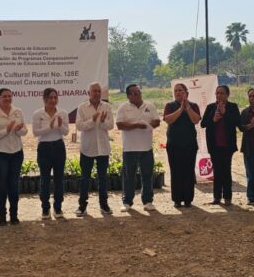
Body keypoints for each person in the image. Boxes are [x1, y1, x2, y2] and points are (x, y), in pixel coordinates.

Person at [116, 84, 161, 212]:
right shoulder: (123, 108)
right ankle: (127, 202)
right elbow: (119, 125)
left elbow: (157, 121)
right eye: (135, 93)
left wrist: (148, 124)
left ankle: (147, 201)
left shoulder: (149, 106)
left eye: (139, 92)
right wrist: (136, 125)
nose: (138, 95)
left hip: (146, 148)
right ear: (128, 96)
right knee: (129, 176)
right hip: (130, 149)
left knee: (147, 175)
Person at [0, 88, 27, 225]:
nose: (7, 98)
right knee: (1, 186)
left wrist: (19, 130)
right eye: (4, 96)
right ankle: (2, 216)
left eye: (9, 96)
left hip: (16, 153)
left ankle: (14, 215)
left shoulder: (18, 111)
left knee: (14, 185)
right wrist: (6, 130)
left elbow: (25, 131)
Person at [75, 82, 114, 216]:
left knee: (103, 178)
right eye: (94, 91)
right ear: (88, 93)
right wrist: (92, 120)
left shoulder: (107, 107)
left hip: (103, 148)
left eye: (98, 91)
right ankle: (82, 206)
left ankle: (104, 205)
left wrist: (102, 122)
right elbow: (79, 126)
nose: (97, 93)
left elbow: (111, 125)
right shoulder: (82, 107)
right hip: (88, 148)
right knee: (85, 178)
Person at [32, 88, 70, 219]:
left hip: (59, 146)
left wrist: (59, 126)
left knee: (59, 179)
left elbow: (66, 132)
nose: (53, 100)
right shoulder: (38, 114)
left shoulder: (62, 113)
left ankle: (58, 207)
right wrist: (50, 126)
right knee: (45, 179)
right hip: (44, 147)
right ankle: (45, 208)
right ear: (45, 99)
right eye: (50, 98)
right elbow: (35, 132)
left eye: (55, 97)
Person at [201, 85, 240, 205]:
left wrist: (225, 113)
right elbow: (203, 124)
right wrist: (213, 119)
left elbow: (238, 122)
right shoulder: (210, 107)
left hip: (227, 145)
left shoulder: (233, 107)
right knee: (217, 171)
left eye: (222, 93)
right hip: (214, 145)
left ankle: (227, 197)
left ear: (227, 95)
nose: (219, 95)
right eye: (217, 93)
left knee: (226, 170)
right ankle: (216, 197)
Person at [163, 83, 201, 207]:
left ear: (186, 93)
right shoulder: (170, 106)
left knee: (189, 171)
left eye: (180, 90)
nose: (178, 93)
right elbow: (168, 120)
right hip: (174, 144)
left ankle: (188, 199)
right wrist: (180, 109)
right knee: (176, 171)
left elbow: (196, 120)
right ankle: (177, 199)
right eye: (176, 91)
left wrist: (187, 107)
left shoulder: (194, 106)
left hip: (190, 144)